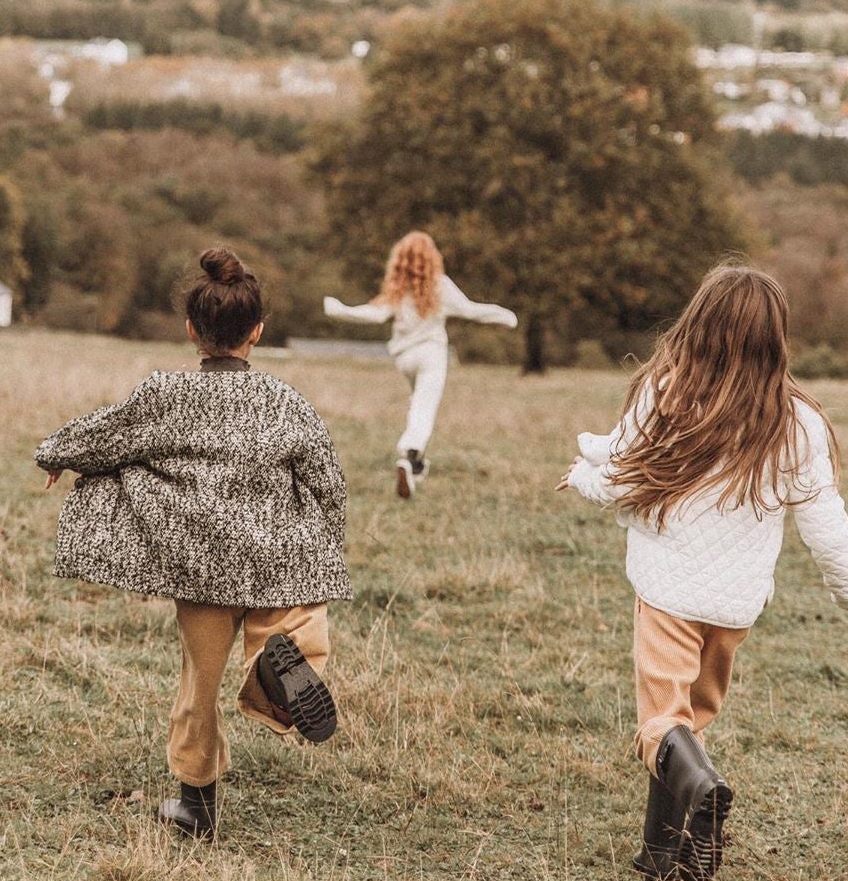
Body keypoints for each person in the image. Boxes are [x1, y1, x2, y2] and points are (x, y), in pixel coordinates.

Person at [557, 263, 848, 881]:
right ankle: (661, 853)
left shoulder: (667, 392)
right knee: (688, 722)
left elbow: (624, 483)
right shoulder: (794, 422)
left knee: (662, 724)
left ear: (698, 324)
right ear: (775, 339)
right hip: (735, 608)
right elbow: (825, 521)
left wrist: (580, 475)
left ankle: (702, 790)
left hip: (668, 596)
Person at [35, 247, 351, 840]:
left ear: (191, 331)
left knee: (198, 686)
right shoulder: (285, 402)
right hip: (275, 558)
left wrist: (55, 454)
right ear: (258, 331)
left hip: (195, 560)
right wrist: (322, 542)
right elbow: (327, 482)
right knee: (296, 634)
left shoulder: (165, 393)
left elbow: (105, 434)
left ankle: (195, 804)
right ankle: (273, 674)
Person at [323, 230, 517, 498]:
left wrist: (340, 309)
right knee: (424, 408)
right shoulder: (441, 286)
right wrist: (505, 316)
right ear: (432, 258)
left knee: (418, 402)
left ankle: (416, 464)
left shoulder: (397, 288)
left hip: (404, 359)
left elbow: (375, 315)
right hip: (431, 355)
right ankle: (409, 453)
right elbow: (471, 310)